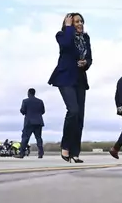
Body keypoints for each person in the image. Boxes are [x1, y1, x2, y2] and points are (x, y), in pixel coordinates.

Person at [48, 12, 92, 163]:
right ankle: (65, 145)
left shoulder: (86, 38)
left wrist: (85, 63)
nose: (80, 24)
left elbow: (90, 57)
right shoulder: (62, 35)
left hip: (80, 79)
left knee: (79, 116)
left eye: (81, 21)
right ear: (69, 24)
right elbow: (66, 45)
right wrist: (68, 28)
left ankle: (75, 151)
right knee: (73, 111)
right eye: (76, 22)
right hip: (65, 77)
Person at [15, 88, 45, 158]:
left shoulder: (25, 101)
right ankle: (41, 153)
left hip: (29, 122)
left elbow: (23, 111)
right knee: (38, 138)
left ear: (28, 93)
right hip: (38, 122)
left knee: (25, 138)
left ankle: (22, 153)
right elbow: (43, 111)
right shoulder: (40, 101)